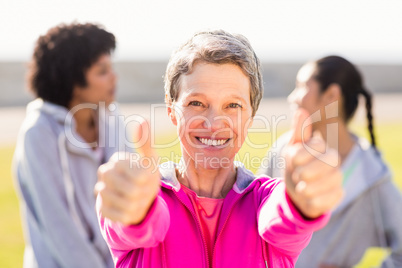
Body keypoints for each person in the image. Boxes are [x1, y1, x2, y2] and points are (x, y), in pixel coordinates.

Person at [95, 30, 344, 267]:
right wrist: (136, 209)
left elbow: (280, 220)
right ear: (172, 111)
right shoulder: (146, 195)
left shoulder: (266, 200)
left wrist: (298, 203)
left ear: (250, 117)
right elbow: (144, 224)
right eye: (196, 103)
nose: (214, 123)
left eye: (232, 106)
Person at [258, 55, 402, 267]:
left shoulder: (373, 175)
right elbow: (252, 217)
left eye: (301, 86)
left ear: (331, 95)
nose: (292, 97)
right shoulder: (282, 150)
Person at [13, 23, 129, 267]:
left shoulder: (113, 119)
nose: (114, 77)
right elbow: (58, 226)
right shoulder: (38, 133)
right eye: (102, 71)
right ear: (74, 83)